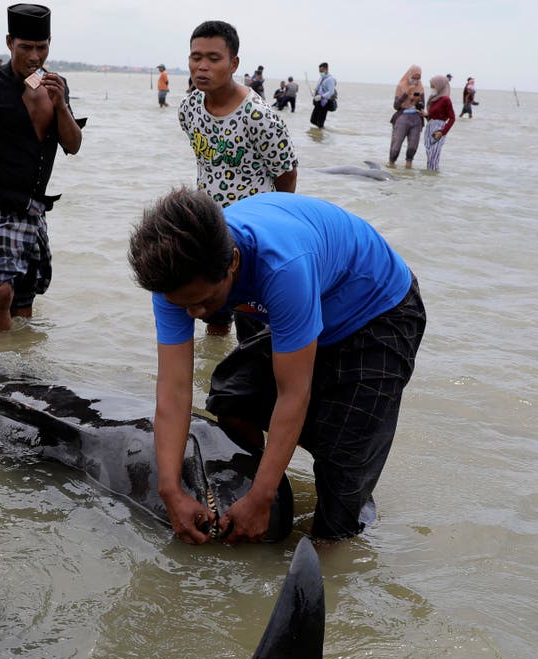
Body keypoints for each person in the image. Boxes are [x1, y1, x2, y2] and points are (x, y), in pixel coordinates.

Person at [127, 188, 425, 543]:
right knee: (233, 397)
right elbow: (173, 392)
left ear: (233, 262)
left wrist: (262, 498)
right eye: (183, 306)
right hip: (312, 311)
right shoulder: (176, 284)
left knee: (340, 486)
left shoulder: (282, 266)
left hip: (379, 313)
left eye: (204, 302)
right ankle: (256, 501)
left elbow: (293, 393)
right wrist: (170, 490)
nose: (194, 314)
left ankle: (314, 508)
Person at [0, 3, 84, 331]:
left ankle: (20, 366)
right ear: (9, 42)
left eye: (41, 47)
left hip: (32, 207)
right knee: (1, 291)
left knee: (25, 297)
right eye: (25, 47)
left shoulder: (57, 85)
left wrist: (61, 106)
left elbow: (73, 145)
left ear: (49, 44)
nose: (34, 56)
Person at [178, 20, 297, 335]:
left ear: (233, 64)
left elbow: (287, 173)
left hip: (253, 237)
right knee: (211, 316)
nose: (202, 66)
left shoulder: (259, 117)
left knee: (253, 329)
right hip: (211, 228)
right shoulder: (189, 108)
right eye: (195, 57)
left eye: (213, 59)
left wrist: (274, 222)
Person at [389, 64, 425, 169]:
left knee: (413, 146)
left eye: (418, 78)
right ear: (409, 75)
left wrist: (417, 100)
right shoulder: (401, 86)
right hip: (402, 117)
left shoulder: (420, 87)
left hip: (416, 119)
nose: (415, 80)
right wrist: (406, 93)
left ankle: (408, 167)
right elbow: (396, 106)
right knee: (396, 144)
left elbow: (421, 106)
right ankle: (391, 164)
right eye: (414, 77)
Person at [423, 74, 456, 171]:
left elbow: (452, 118)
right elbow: (432, 117)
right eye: (431, 85)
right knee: (429, 156)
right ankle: (429, 180)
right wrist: (425, 115)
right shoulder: (433, 99)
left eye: (433, 85)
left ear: (439, 85)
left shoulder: (446, 99)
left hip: (439, 129)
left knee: (434, 156)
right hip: (429, 128)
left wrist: (442, 132)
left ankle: (432, 179)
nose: (431, 88)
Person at [310, 61, 335, 128]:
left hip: (325, 103)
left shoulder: (330, 79)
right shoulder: (321, 78)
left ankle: (320, 135)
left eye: (321, 71)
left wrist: (321, 96)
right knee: (312, 120)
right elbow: (318, 86)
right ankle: (321, 132)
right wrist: (314, 91)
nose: (320, 72)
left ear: (326, 69)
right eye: (319, 71)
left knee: (320, 123)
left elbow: (331, 92)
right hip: (318, 102)